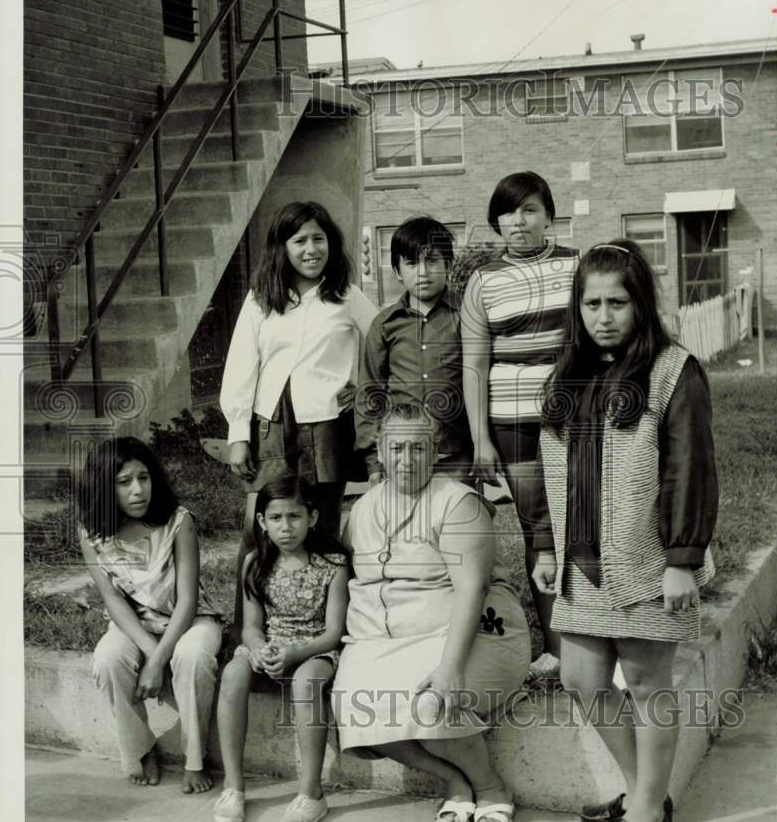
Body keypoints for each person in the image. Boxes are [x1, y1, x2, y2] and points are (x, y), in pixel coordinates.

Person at [535, 239, 719, 822]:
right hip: (581, 565)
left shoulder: (673, 371)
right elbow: (547, 471)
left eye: (618, 301)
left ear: (641, 304)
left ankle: (644, 816)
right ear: (576, 307)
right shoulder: (568, 376)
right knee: (582, 677)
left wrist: (682, 560)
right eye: (592, 303)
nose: (604, 315)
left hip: (646, 560)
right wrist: (543, 546)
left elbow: (690, 469)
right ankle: (645, 788)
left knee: (645, 685)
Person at [333, 404, 531, 822]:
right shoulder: (363, 510)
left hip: (472, 633)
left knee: (431, 700)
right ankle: (453, 781)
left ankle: (491, 787)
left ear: (436, 449)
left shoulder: (457, 503)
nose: (407, 459)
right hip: (381, 642)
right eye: (397, 448)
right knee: (350, 706)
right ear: (380, 452)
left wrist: (450, 669)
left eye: (418, 448)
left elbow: (471, 591)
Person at [220, 200, 376, 630]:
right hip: (270, 425)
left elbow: (385, 337)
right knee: (259, 529)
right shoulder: (262, 298)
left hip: (326, 424)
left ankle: (326, 631)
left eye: (319, 239)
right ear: (282, 247)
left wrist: (366, 389)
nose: (311, 249)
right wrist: (238, 432)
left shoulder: (346, 295)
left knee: (320, 527)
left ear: (331, 243)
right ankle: (247, 629)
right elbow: (241, 364)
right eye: (300, 240)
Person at [461, 171, 578, 671]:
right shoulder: (482, 281)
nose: (519, 221)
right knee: (540, 529)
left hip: (576, 419)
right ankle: (555, 646)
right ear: (496, 222)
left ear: (549, 215)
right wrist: (480, 439)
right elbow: (474, 364)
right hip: (511, 423)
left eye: (530, 209)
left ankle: (599, 634)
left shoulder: (579, 265)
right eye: (508, 212)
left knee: (588, 518)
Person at [78, 436, 222, 792]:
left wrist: (160, 659)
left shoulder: (178, 521)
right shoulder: (92, 534)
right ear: (103, 487)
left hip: (190, 620)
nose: (138, 490)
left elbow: (188, 600)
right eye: (124, 482)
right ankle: (140, 750)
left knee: (194, 656)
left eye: (144, 478)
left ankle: (195, 757)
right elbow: (112, 600)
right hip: (134, 625)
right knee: (108, 659)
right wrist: (150, 653)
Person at [214, 473, 348, 822]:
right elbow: (252, 627)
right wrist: (257, 650)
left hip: (315, 649)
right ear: (262, 522)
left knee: (306, 683)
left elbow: (334, 634)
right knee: (233, 673)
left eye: (294, 516)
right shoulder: (255, 562)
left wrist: (296, 653)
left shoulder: (332, 566)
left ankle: (311, 793)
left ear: (313, 518)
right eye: (276, 518)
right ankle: (233, 787)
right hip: (271, 646)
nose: (285, 527)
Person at [355, 216, 472, 484]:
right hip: (400, 457)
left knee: (453, 523)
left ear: (448, 265)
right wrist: (374, 461)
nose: (422, 272)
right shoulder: (385, 325)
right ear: (397, 271)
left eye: (432, 261)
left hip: (455, 454)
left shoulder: (466, 317)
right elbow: (370, 392)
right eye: (411, 263)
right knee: (404, 525)